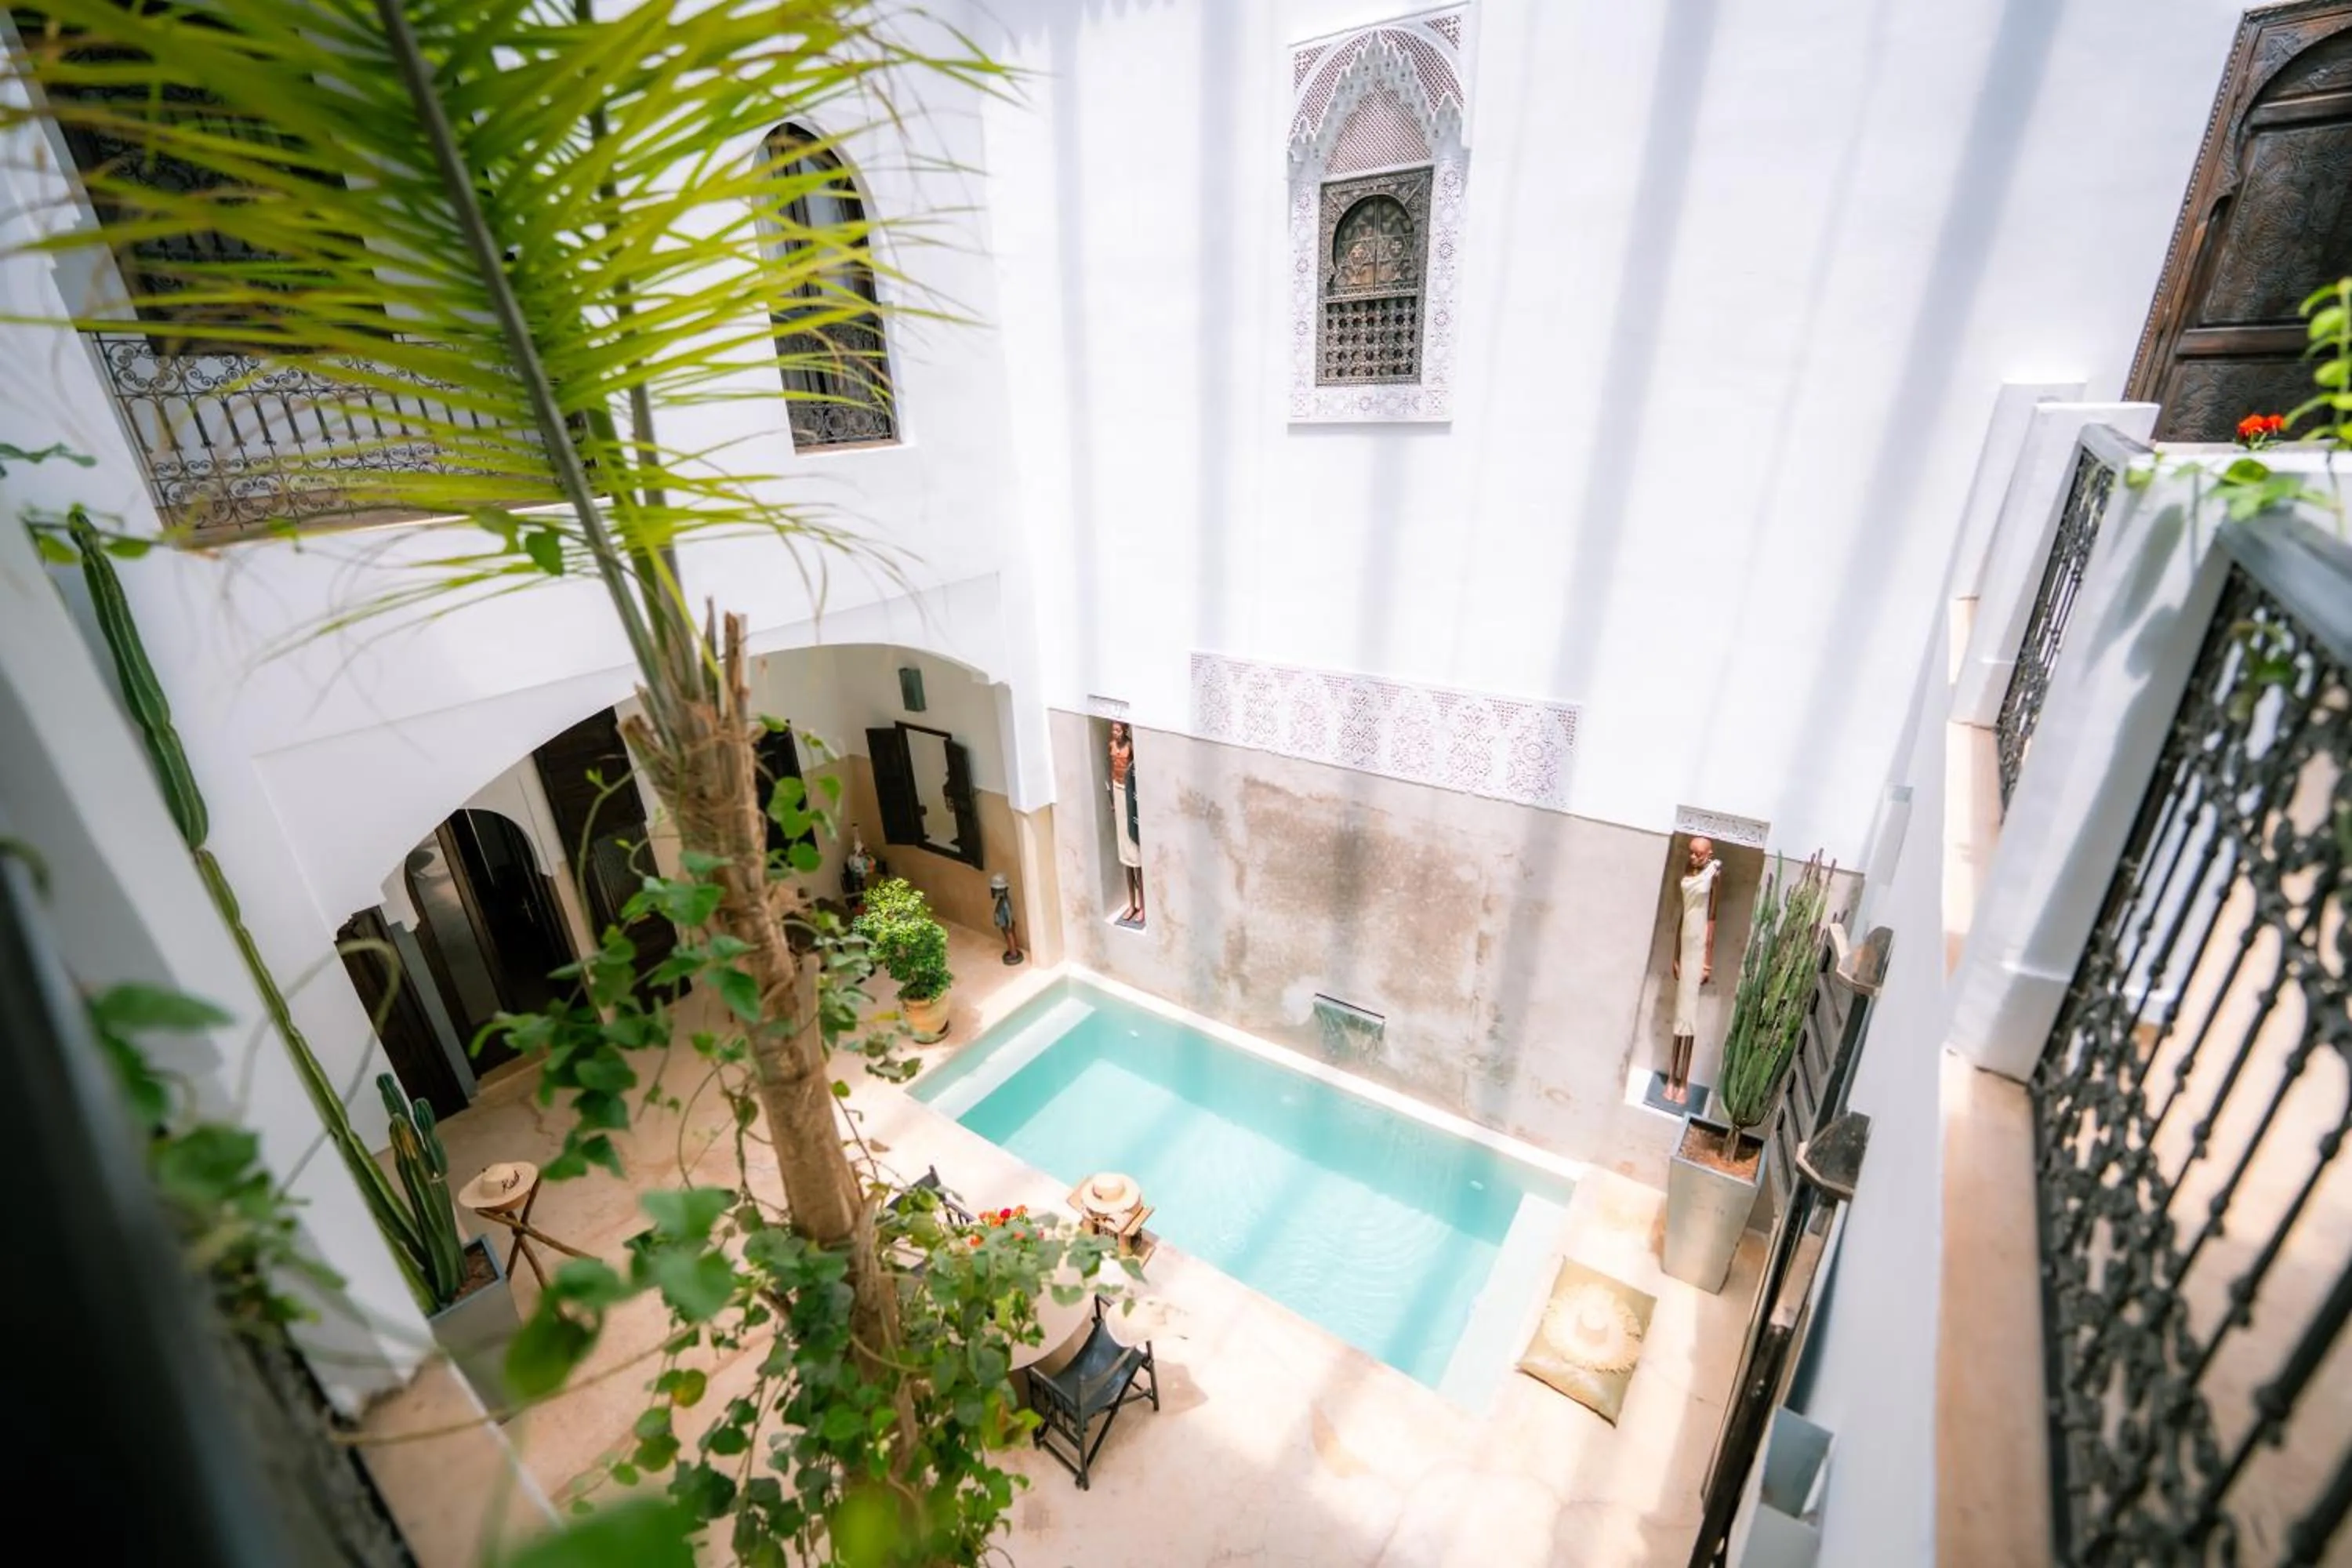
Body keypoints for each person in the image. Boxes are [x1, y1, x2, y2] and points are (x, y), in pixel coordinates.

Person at [1667, 836, 1721, 1105]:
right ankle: (1671, 1076)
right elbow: (1683, 915)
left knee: (1689, 1017)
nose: (1693, 858)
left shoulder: (1714, 873)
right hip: (1685, 942)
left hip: (1699, 945)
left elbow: (1712, 917)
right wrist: (1675, 954)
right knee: (1679, 1013)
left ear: (1709, 854)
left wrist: (1707, 961)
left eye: (1699, 854)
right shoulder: (1688, 872)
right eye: (1691, 853)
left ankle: (1683, 1080)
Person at [1106, 722, 1144, 925]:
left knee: (1135, 858)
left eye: (1119, 730)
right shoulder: (1111, 746)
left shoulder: (1131, 747)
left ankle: (1143, 905)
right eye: (1114, 730)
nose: (1116, 733)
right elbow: (1111, 771)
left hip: (1128, 795)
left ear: (1125, 730)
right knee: (1125, 859)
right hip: (1117, 790)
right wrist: (1113, 799)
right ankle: (1132, 903)